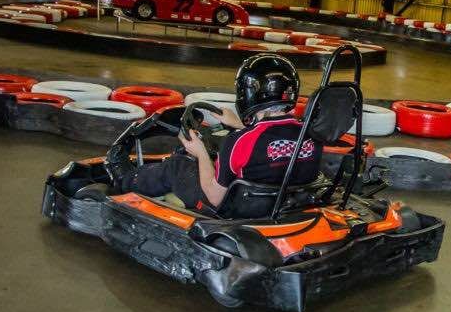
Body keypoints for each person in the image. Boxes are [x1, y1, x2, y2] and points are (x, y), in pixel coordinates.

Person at [113, 54, 321, 214]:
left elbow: (213, 197)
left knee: (179, 164)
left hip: (235, 209)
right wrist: (239, 125)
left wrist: (200, 152)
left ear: (250, 93)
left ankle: (125, 180)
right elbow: (270, 141)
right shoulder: (311, 134)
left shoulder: (239, 142)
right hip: (282, 201)